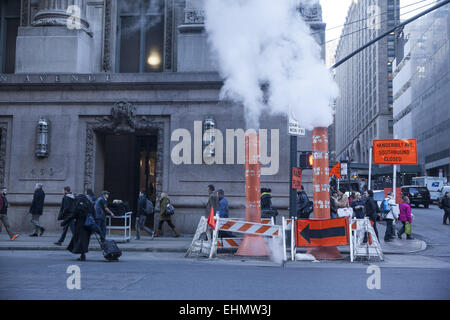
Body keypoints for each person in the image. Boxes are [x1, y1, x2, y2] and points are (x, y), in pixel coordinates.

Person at [62, 193, 95, 261]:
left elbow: (74, 214)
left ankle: (82, 255)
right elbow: (94, 213)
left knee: (80, 240)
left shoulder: (78, 203)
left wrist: (65, 221)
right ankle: (82, 255)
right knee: (85, 240)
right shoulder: (89, 203)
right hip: (88, 225)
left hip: (80, 224)